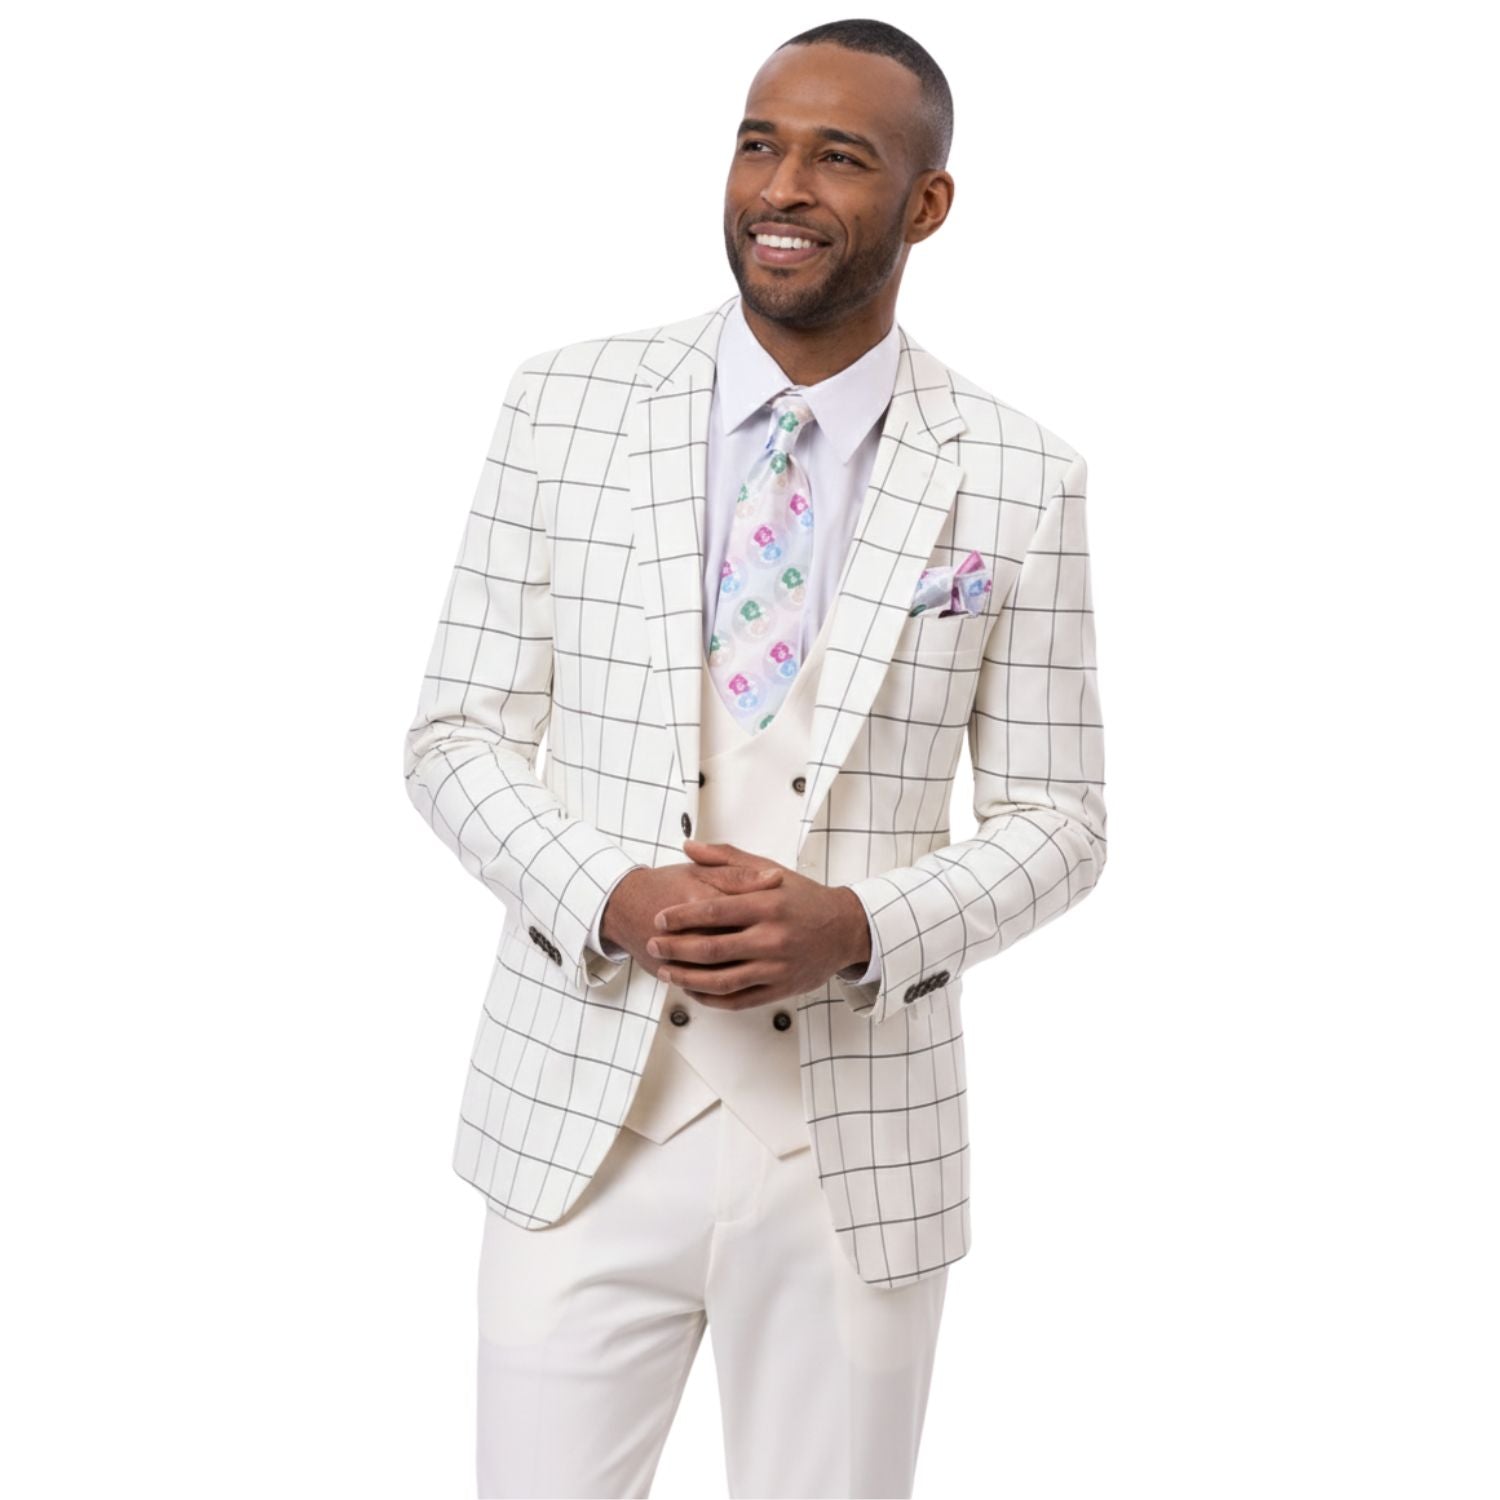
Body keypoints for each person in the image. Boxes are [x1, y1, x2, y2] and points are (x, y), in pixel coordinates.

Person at [402, 18, 1108, 1498]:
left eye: (838, 156)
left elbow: (1060, 815)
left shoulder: (1020, 472)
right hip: (582, 1124)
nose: (781, 187)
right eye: (757, 144)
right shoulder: (565, 404)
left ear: (926, 204)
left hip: (852, 1154)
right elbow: (455, 735)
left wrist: (860, 927)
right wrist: (611, 895)